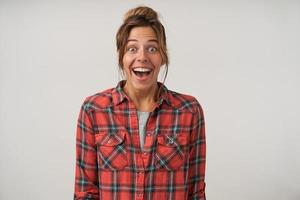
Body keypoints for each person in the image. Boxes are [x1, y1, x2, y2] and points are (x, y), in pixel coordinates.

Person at [74, 6, 206, 200]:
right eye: (132, 49)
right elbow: (85, 193)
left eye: (152, 48)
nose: (142, 57)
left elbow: (196, 194)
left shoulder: (189, 111)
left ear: (163, 57)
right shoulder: (94, 109)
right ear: (122, 57)